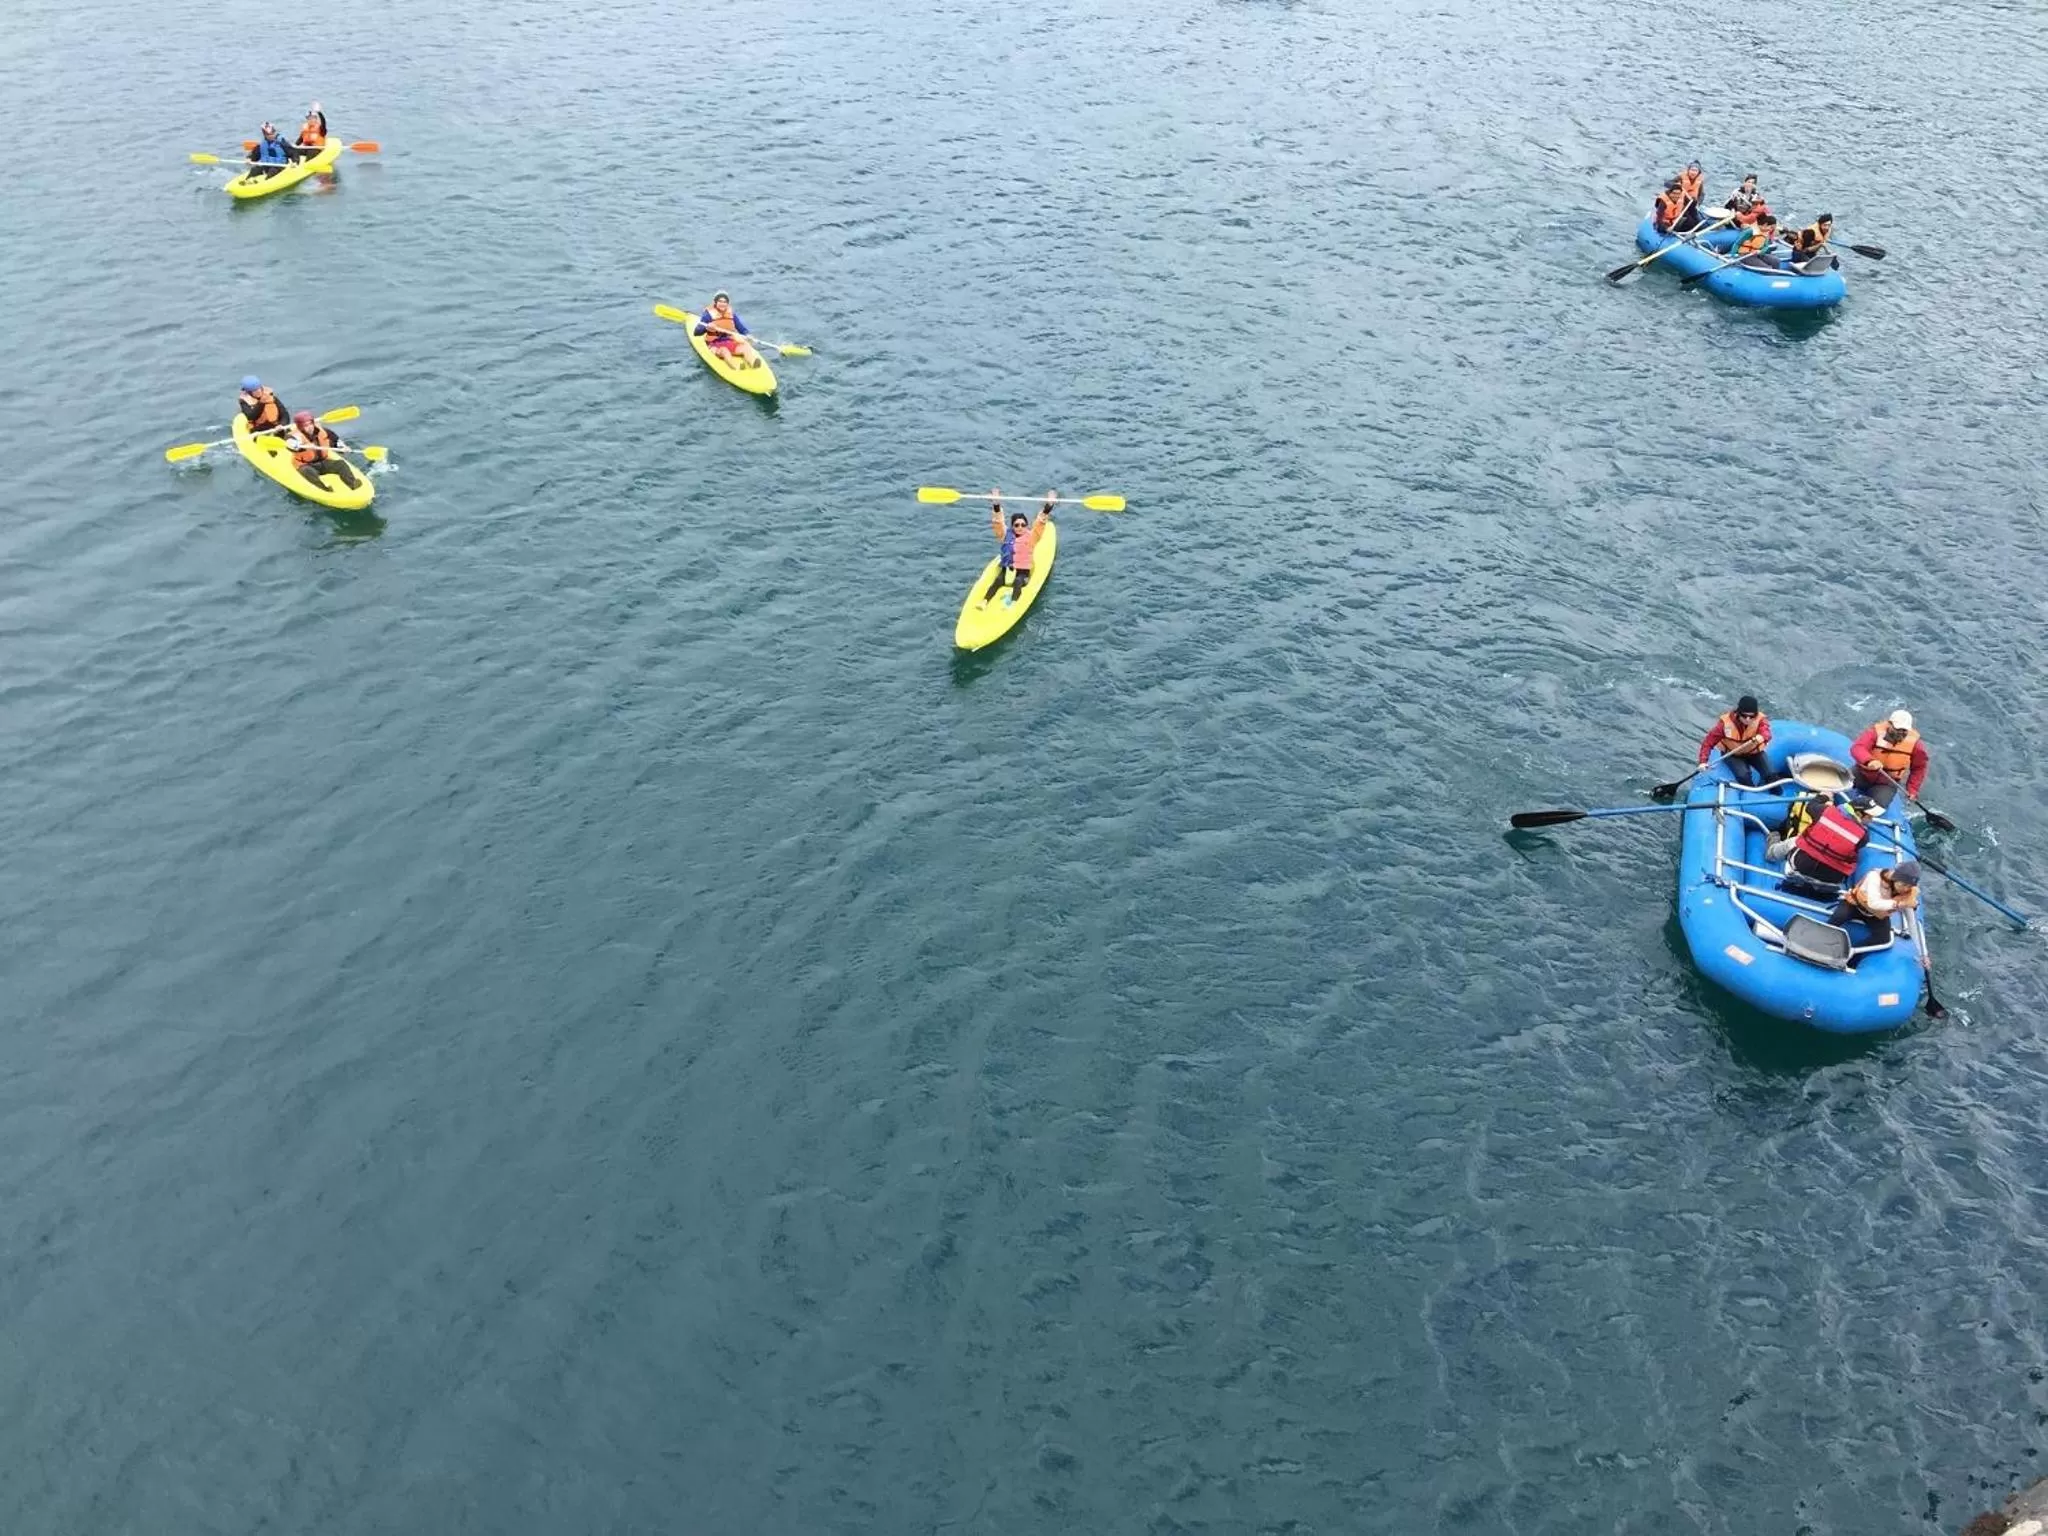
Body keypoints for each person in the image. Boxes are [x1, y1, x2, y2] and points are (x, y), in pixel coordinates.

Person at [1766, 793, 1876, 900]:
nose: (1872, 820)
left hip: (1801, 866)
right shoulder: (1864, 836)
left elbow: (1811, 806)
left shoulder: (1824, 811)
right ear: (1859, 814)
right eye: (1870, 816)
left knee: (1794, 841)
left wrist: (1824, 795)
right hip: (1832, 879)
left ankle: (1771, 853)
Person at [977, 490, 1053, 609]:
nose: (1020, 527)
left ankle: (1013, 602)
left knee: (1018, 582)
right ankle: (985, 601)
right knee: (998, 581)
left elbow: (1040, 523)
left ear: (1026, 526)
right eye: (1017, 525)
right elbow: (998, 523)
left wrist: (1048, 506)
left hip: (1022, 573)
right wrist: (996, 504)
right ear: (1012, 527)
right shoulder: (1005, 535)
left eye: (1023, 525)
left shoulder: (1032, 537)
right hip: (1007, 569)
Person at [1829, 859, 1920, 945]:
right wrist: (1898, 904)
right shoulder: (1874, 877)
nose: (1905, 889)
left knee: (1883, 939)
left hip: (1876, 915)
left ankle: (1853, 952)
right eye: (1903, 885)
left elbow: (1911, 914)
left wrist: (1922, 954)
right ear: (1895, 878)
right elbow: (1873, 903)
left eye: (1909, 886)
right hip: (1855, 905)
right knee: (1837, 918)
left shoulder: (1909, 892)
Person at [1851, 709, 1928, 808]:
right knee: (1838, 782)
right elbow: (1858, 747)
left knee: (1877, 807)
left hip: (1886, 783)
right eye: (1898, 729)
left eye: (1904, 730)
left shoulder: (1916, 745)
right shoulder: (1874, 733)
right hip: (1862, 774)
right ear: (1889, 724)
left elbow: (1919, 768)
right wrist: (1870, 760)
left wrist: (1912, 790)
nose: (1901, 733)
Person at [1697, 695, 1772, 786]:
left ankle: (1777, 794)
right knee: (1743, 776)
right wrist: (1703, 762)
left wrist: (1763, 736)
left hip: (1753, 752)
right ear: (1738, 713)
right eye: (1744, 716)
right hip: (1732, 754)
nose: (1748, 719)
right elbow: (1708, 742)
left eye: (1752, 716)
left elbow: (1766, 732)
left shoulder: (1760, 720)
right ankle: (1751, 793)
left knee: (1771, 775)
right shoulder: (1724, 725)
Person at [285, 409, 364, 492]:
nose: (310, 427)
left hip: (323, 461)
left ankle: (353, 484)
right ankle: (324, 489)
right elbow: (290, 444)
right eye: (306, 425)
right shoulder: (294, 436)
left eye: (310, 424)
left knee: (341, 464)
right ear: (301, 427)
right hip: (306, 464)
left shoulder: (323, 431)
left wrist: (342, 447)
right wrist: (302, 446)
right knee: (307, 471)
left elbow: (335, 440)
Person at [693, 293, 762, 372]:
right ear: (715, 302)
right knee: (724, 351)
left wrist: (748, 334)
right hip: (714, 344)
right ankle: (735, 366)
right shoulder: (708, 315)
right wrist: (706, 327)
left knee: (745, 347)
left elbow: (740, 327)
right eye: (720, 301)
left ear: (727, 303)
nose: (723, 304)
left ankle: (752, 362)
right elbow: (696, 332)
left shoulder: (731, 314)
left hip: (729, 340)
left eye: (725, 302)